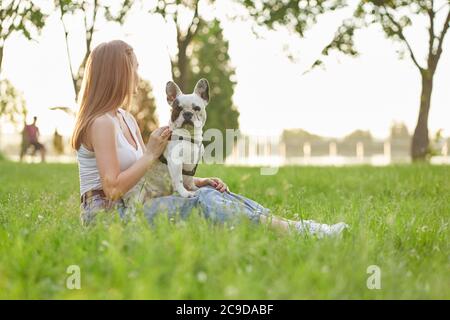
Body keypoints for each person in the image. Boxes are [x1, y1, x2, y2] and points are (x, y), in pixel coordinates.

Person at [71, 40, 348, 237]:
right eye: (134, 68)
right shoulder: (101, 123)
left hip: (134, 205)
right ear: (118, 73)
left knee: (209, 192)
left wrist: (198, 181)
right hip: (108, 220)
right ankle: (299, 233)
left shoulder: (125, 118)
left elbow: (148, 177)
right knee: (201, 201)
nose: (138, 75)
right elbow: (113, 189)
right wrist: (150, 153)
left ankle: (298, 227)